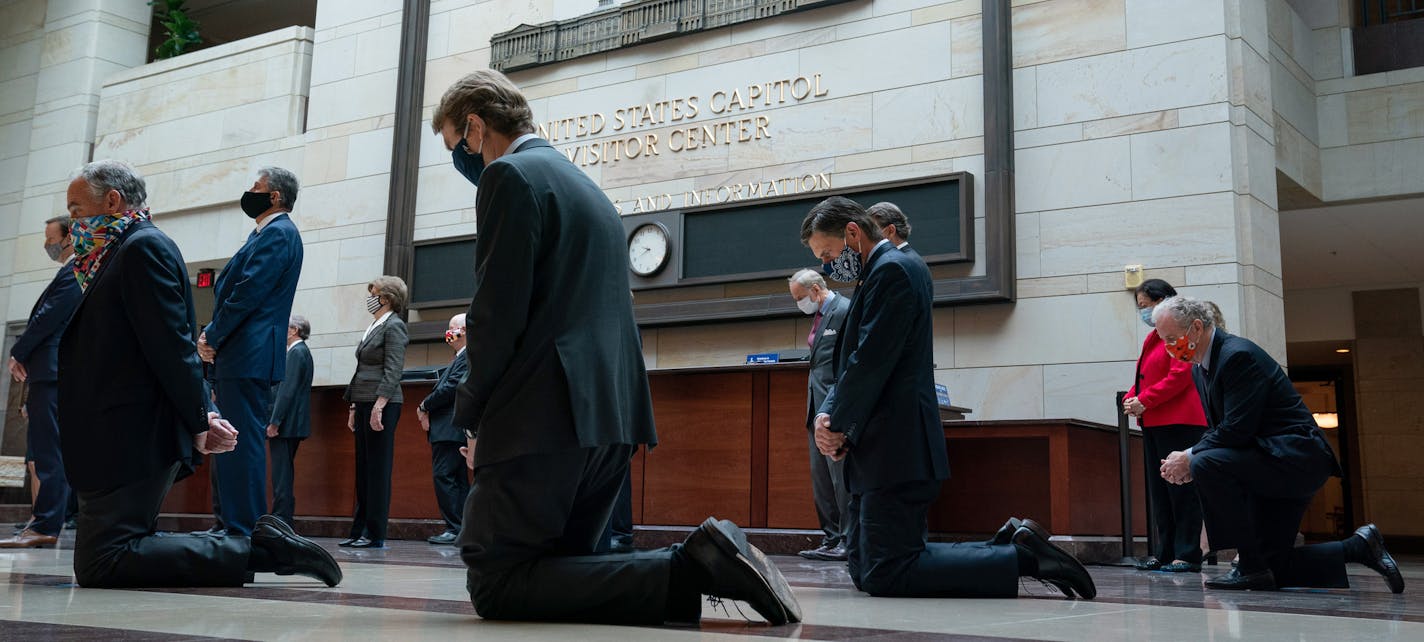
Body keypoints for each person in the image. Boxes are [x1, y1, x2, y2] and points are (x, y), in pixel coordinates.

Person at [433, 69, 801, 625]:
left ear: (478, 127)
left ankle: (693, 568)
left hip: (541, 417)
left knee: (497, 582)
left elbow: (497, 312)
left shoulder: (509, 176)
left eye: (456, 146)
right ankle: (696, 569)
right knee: (563, 565)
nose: (461, 160)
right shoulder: (587, 188)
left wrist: (473, 416)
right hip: (609, 415)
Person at [50, 159, 338, 587]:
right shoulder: (114, 251)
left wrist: (201, 403)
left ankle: (257, 543)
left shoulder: (140, 247)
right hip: (117, 431)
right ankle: (249, 542)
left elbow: (172, 343)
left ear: (112, 201)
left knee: (104, 559)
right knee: (104, 557)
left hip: (133, 429)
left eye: (76, 211)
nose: (71, 223)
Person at [801, 195, 1095, 599]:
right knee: (865, 569)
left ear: (853, 233)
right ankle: (1012, 547)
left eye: (829, 253)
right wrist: (830, 416)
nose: (828, 265)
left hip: (896, 447)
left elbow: (870, 360)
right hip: (878, 448)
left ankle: (1024, 560)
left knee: (888, 572)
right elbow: (856, 358)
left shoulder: (894, 271)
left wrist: (834, 421)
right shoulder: (880, 272)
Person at [1154, 296, 1404, 593]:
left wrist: (1189, 457)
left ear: (1196, 328)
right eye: (1164, 341)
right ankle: (1360, 547)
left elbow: (1236, 430)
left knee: (1206, 462)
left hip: (1294, 459)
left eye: (1172, 338)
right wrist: (1191, 458)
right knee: (1274, 569)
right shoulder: (1200, 368)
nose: (1169, 348)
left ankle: (1249, 564)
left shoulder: (1237, 356)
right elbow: (1225, 431)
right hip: (1267, 460)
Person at [196, 167, 305, 537]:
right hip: (242, 353)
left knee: (240, 444)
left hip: (250, 353)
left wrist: (211, 335)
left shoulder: (279, 233)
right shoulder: (263, 233)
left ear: (274, 196)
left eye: (255, 188)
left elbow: (247, 292)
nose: (249, 193)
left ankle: (243, 531)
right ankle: (229, 523)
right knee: (228, 443)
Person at [0, 217, 82, 549]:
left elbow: (48, 315)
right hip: (48, 371)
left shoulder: (76, 271)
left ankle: (47, 524)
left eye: (51, 239)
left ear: (68, 239)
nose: (47, 245)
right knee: (47, 450)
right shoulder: (70, 270)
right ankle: (44, 520)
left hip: (51, 370)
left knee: (48, 452)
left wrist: (19, 351)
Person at [1122, 279, 1207, 573]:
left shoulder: (1177, 331)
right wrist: (1134, 398)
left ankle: (1187, 553)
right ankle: (1165, 551)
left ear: (1163, 301)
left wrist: (1144, 399)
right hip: (1155, 420)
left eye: (1145, 306)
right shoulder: (1152, 337)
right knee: (1160, 491)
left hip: (1180, 420)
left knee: (1182, 490)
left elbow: (1180, 376)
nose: (1143, 312)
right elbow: (1144, 377)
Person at [787, 268, 851, 561]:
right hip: (815, 407)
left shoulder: (844, 310)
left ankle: (848, 541)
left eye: (800, 298)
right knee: (821, 478)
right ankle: (831, 537)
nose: (799, 303)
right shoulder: (819, 316)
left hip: (835, 409)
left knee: (840, 478)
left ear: (815, 290)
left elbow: (848, 362)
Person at [341, 276, 409, 549]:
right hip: (364, 400)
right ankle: (359, 529)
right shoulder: (374, 325)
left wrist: (379, 406)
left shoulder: (394, 326)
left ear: (387, 298)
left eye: (374, 293)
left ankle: (375, 533)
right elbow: (361, 371)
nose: (370, 297)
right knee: (364, 469)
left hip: (384, 403)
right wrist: (355, 405)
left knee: (378, 470)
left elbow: (394, 370)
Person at [417, 314, 472, 545]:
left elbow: (451, 388)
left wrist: (424, 405)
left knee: (445, 477)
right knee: (457, 480)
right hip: (450, 428)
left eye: (453, 328)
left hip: (450, 428)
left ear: (466, 331)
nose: (449, 332)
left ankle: (454, 528)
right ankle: (463, 527)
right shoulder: (459, 357)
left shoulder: (468, 355)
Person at [266, 315, 313, 527]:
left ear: (294, 330)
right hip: (291, 423)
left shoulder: (296, 353)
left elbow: (287, 390)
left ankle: (281, 517)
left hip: (286, 425)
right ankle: (282, 515)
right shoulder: (301, 352)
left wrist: (275, 421)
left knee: (281, 473)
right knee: (283, 472)